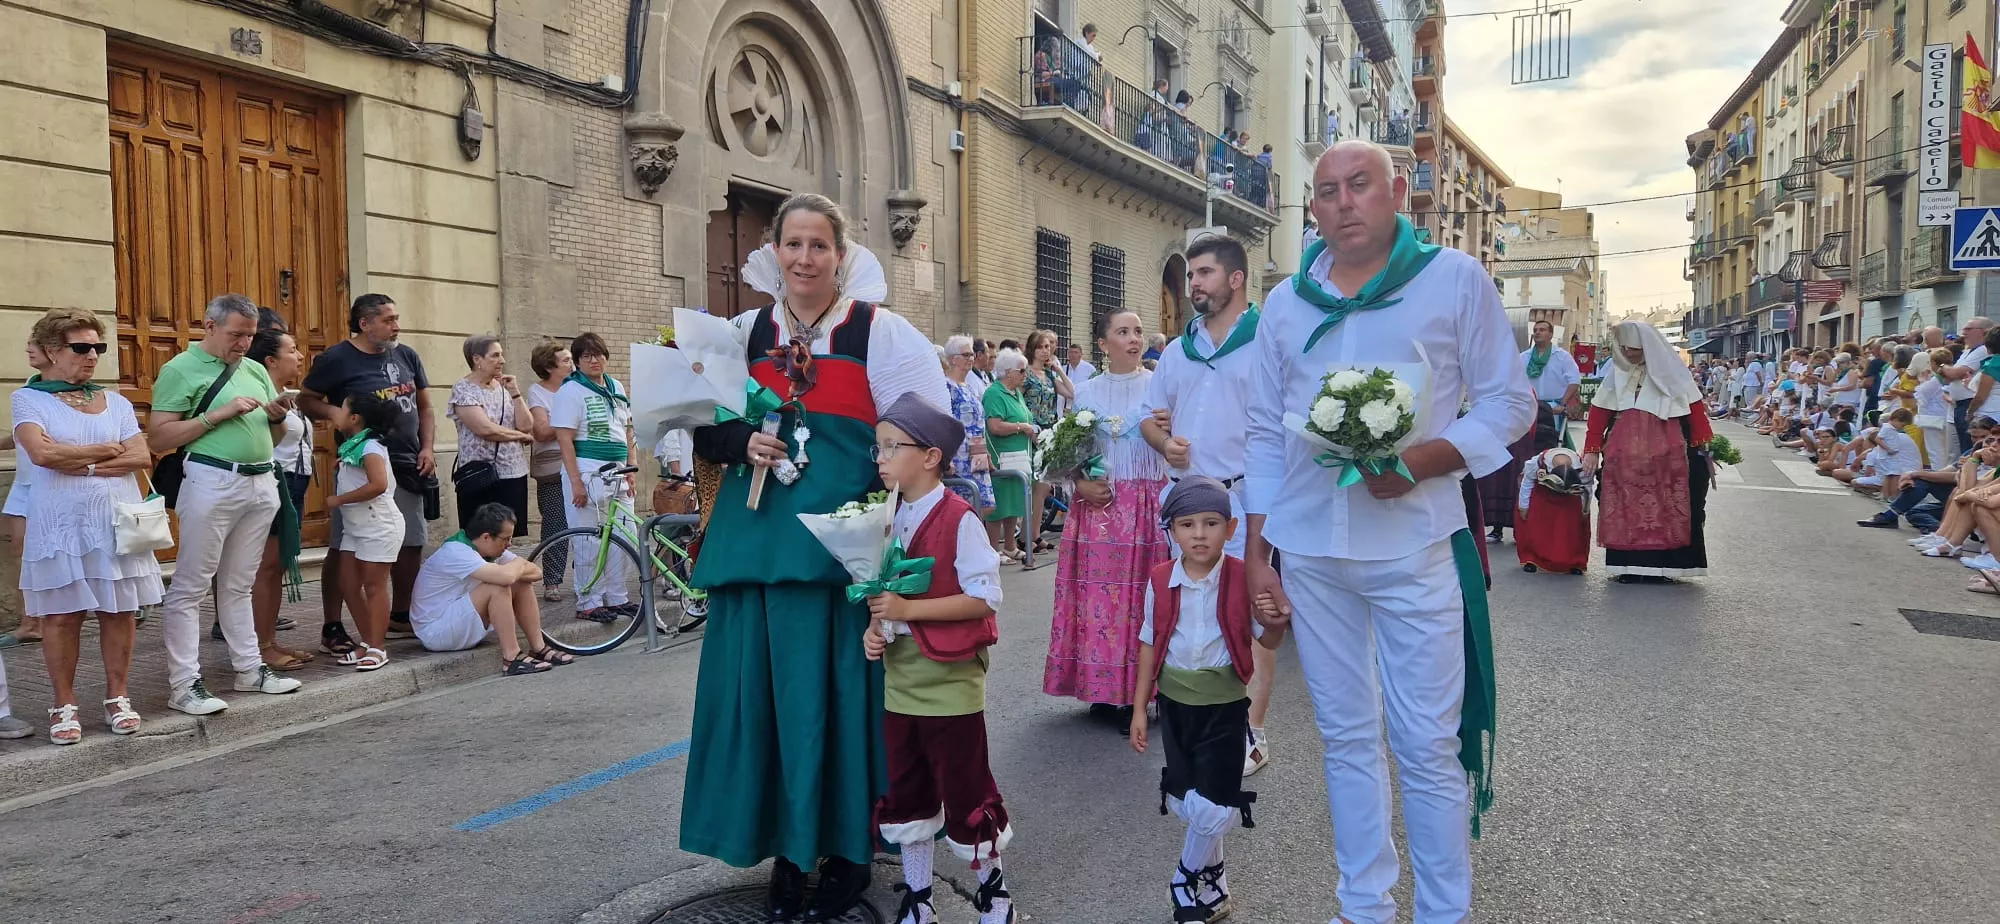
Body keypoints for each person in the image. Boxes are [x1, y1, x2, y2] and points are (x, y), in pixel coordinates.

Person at [1243, 141, 1529, 924]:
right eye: (1326, 191)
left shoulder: (1452, 281)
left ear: (1396, 192)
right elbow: (1265, 432)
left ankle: (1442, 914)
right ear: (1313, 206)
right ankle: (1362, 907)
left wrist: (1424, 460)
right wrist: (1254, 553)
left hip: (1413, 547)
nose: (1342, 203)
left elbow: (1510, 403)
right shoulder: (1285, 303)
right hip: (1310, 551)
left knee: (1426, 746)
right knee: (1343, 739)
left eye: (1358, 186)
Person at [680, 193, 949, 921]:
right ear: (775, 250)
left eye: (818, 246)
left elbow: (927, 433)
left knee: (841, 710)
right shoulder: (739, 331)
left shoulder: (880, 333)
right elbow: (697, 432)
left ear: (841, 254)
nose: (804, 258)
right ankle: (786, 857)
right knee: (765, 709)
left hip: (841, 554)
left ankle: (847, 854)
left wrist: (886, 508)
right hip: (757, 550)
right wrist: (741, 443)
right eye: (793, 244)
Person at [860, 394, 1013, 924]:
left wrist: (908, 609)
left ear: (929, 456)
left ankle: (995, 893)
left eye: (889, 447)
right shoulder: (886, 515)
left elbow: (984, 596)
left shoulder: (958, 518)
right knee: (909, 788)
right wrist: (876, 629)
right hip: (901, 677)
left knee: (965, 786)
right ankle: (919, 898)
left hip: (950, 679)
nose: (878, 458)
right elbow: (882, 592)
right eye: (876, 447)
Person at [1142, 234, 1281, 778]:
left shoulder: (1266, 342)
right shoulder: (1178, 351)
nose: (1193, 283)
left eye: (1203, 273)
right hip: (1186, 498)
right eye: (1192, 274)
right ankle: (1197, 711)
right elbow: (1154, 419)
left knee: (1249, 610)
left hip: (1245, 497)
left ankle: (1252, 727)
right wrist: (1164, 443)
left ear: (1236, 278)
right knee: (1190, 607)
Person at [1129, 476, 1285, 924]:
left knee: (1216, 803)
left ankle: (1183, 876)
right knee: (1195, 799)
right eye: (1187, 524)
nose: (1199, 534)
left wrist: (1275, 622)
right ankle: (1214, 877)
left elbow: (1267, 640)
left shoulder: (1241, 578)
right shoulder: (1160, 580)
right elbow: (1147, 643)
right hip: (1175, 706)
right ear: (1171, 531)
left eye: (1211, 523)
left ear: (1231, 529)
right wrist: (1140, 708)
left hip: (1224, 708)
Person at [11, 308, 164, 743]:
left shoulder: (115, 401)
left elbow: (140, 458)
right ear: (52, 351)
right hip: (60, 522)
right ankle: (64, 704)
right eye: (81, 348)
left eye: (97, 347)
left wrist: (88, 463)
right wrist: (105, 449)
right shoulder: (29, 399)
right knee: (61, 616)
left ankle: (118, 696)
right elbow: (42, 454)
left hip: (114, 520)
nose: (92, 356)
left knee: (118, 611)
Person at [147, 294, 302, 716]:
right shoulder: (180, 368)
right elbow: (158, 439)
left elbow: (271, 438)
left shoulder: (253, 368)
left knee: (239, 583)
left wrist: (274, 415)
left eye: (250, 336)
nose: (243, 344)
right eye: (236, 335)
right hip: (212, 478)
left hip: (260, 480)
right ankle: (184, 684)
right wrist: (219, 415)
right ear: (210, 326)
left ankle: (249, 669)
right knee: (191, 585)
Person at [1047, 310, 1170, 722]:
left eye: (1137, 331)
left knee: (1143, 597)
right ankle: (1101, 687)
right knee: (1099, 600)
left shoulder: (1160, 387)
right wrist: (1078, 483)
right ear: (1103, 345)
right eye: (1123, 332)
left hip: (1145, 509)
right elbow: (1063, 457)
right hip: (1098, 509)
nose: (1133, 339)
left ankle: (1146, 690)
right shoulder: (1085, 394)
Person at [300, 293, 436, 653]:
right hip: (362, 464)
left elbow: (424, 407)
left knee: (410, 541)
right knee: (346, 547)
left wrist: (427, 447)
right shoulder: (337, 359)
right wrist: (335, 415)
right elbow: (307, 398)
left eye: (396, 318)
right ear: (365, 323)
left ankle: (400, 616)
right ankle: (333, 623)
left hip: (407, 464)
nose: (396, 325)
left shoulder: (406, 354)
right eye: (388, 319)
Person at [1584, 321, 1716, 584]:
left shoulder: (1674, 373)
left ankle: (1664, 568)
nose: (1626, 352)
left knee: (1665, 508)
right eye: (1622, 347)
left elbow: (1695, 410)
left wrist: (1705, 446)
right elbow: (1600, 412)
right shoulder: (1617, 373)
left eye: (1631, 348)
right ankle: (1629, 565)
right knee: (1624, 505)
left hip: (1668, 456)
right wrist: (1591, 449)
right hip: (1624, 458)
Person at [410, 502, 573, 674]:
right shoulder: (456, 551)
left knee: (521, 582)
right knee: (498, 586)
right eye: (506, 539)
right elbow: (508, 576)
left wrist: (515, 569)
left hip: (455, 621)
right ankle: (511, 658)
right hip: (435, 631)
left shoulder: (488, 550)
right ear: (486, 537)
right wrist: (518, 562)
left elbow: (537, 572)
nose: (509, 544)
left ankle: (538, 648)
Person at [552, 331, 639, 623]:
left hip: (618, 469)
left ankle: (617, 597)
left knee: (623, 535)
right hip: (588, 468)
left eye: (599, 354)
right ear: (577, 361)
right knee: (589, 539)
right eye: (587, 356)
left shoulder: (616, 386)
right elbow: (564, 439)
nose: (594, 360)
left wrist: (632, 468)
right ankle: (588, 600)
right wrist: (575, 481)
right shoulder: (571, 390)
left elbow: (628, 430)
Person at [247, 321, 317, 671]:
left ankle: (269, 641)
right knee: (267, 567)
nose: (300, 355)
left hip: (296, 484)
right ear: (271, 360)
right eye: (291, 350)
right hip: (275, 482)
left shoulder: (290, 394)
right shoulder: (261, 397)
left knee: (276, 567)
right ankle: (260, 647)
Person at [327, 393, 402, 671]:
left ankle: (378, 648)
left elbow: (378, 484)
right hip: (355, 527)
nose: (337, 412)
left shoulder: (370, 446)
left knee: (374, 586)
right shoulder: (353, 445)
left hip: (378, 525)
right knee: (348, 584)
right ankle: (368, 642)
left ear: (355, 418)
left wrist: (339, 500)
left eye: (342, 408)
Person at [448, 334, 534, 531]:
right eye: (495, 355)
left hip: (513, 472)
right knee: (480, 536)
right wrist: (520, 437)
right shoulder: (463, 389)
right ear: (477, 359)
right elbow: (484, 429)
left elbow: (527, 425)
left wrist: (515, 393)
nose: (502, 361)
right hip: (480, 475)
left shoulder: (503, 388)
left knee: (508, 535)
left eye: (501, 355)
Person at [1, 342, 53, 649]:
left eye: (36, 344)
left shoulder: (66, 393)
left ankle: (126, 602)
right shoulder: (28, 388)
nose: (28, 349)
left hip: (50, 482)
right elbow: (24, 432)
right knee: (19, 549)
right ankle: (30, 622)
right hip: (24, 481)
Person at [526, 340, 575, 602]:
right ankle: (552, 581)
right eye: (566, 360)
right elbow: (541, 431)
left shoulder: (577, 387)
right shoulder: (538, 393)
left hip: (581, 463)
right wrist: (572, 423)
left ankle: (585, 580)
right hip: (554, 468)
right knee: (556, 523)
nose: (572, 364)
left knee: (588, 524)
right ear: (549, 367)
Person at [1021, 329, 1074, 554]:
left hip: (1048, 431)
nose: (1046, 351)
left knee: (1043, 488)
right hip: (1032, 431)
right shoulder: (1027, 374)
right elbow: (1018, 399)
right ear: (1033, 349)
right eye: (1041, 347)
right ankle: (1026, 535)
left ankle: (1034, 534)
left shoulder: (1050, 375)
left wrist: (1059, 370)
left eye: (1048, 347)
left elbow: (1071, 393)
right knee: (1033, 487)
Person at [983, 348, 1038, 563]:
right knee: (999, 505)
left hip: (1019, 456)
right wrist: (1022, 427)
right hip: (1002, 457)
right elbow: (995, 426)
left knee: (1014, 502)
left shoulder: (1016, 394)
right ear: (1008, 372)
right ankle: (992, 549)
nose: (1026, 375)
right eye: (1022, 371)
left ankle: (1010, 545)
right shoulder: (995, 393)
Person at [942, 334, 997, 525]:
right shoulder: (945, 386)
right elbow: (943, 422)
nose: (970, 358)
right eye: (965, 354)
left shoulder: (970, 387)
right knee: (965, 508)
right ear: (952, 359)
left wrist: (986, 453)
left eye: (972, 354)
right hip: (959, 457)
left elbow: (978, 424)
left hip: (976, 456)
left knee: (986, 504)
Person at [1515, 447, 1591, 575]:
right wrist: (1523, 506)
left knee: (1570, 531)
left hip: (1570, 499)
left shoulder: (1582, 467)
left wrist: (1585, 509)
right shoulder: (1537, 463)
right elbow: (1526, 483)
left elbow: (1587, 489)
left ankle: (1574, 562)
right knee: (1537, 530)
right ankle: (1532, 559)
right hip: (1543, 498)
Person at [1940, 317, 1993, 455]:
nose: (1964, 332)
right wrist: (1948, 371)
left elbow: (1957, 372)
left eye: (1969, 329)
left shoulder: (1982, 350)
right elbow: (1947, 378)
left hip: (1970, 403)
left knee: (1969, 447)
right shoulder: (1967, 351)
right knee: (1961, 449)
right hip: (1960, 404)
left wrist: (1944, 367)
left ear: (1983, 332)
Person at [1522, 319, 1581, 434]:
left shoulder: (1562, 357)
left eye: (1542, 330)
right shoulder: (1523, 357)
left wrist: (1562, 404)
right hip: (1530, 408)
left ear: (1551, 334)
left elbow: (1574, 381)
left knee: (1552, 442)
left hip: (1553, 409)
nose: (1537, 333)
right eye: (1535, 330)